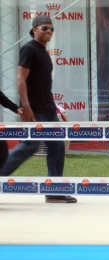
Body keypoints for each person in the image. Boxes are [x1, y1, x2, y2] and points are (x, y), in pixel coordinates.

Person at [0, 16, 76, 203]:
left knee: (57, 146)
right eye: (44, 28)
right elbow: (20, 79)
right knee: (30, 145)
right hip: (34, 109)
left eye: (51, 29)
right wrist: (26, 107)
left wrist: (55, 108)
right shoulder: (29, 49)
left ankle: (54, 191)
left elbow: (43, 85)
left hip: (48, 109)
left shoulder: (43, 52)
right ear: (34, 29)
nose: (49, 31)